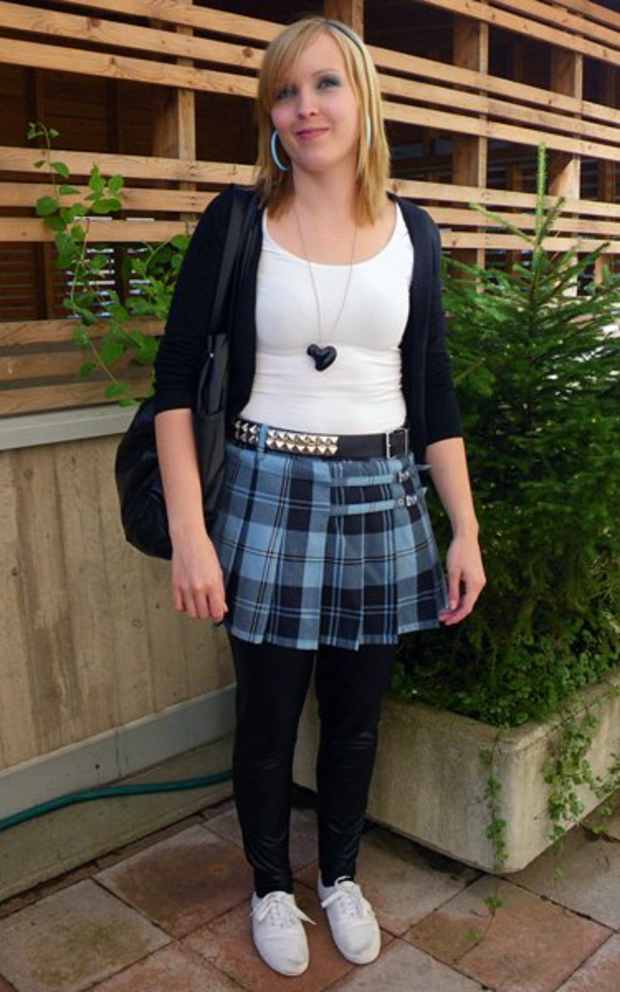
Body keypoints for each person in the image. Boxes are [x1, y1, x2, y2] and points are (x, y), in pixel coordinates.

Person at [153, 14, 486, 979]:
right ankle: (270, 885)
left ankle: (340, 875)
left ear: (363, 97)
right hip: (265, 489)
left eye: (326, 84)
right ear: (271, 113)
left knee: (356, 717)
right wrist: (191, 535)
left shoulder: (413, 233)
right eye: (286, 91)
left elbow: (433, 391)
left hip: (384, 491)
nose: (305, 107)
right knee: (267, 719)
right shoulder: (235, 224)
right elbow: (174, 387)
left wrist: (463, 527)